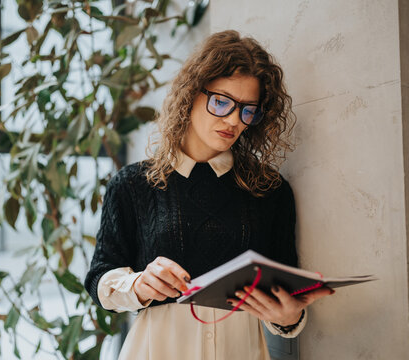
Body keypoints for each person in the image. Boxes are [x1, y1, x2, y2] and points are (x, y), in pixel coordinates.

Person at [84, 30, 333, 360]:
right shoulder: (132, 185)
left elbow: (285, 295)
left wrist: (289, 318)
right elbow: (100, 277)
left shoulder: (269, 190)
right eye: (221, 102)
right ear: (191, 94)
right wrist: (139, 285)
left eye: (248, 110)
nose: (233, 120)